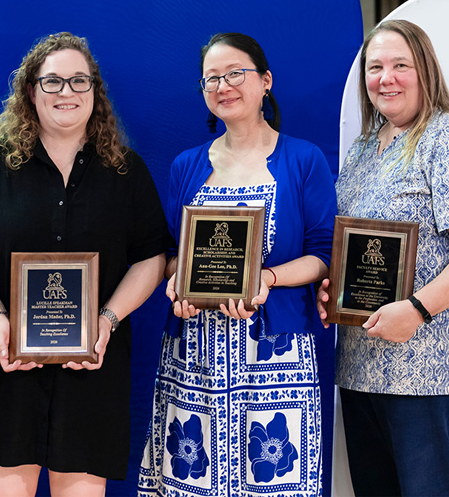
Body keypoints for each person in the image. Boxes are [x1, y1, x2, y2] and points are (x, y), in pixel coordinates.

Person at [0, 32, 170, 496]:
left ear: (94, 91)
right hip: (4, 368)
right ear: (31, 91)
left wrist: (108, 318)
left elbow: (152, 258)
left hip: (92, 373)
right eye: (53, 82)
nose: (67, 92)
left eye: (78, 81)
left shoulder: (126, 169)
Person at [138, 32, 337, 497]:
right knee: (192, 480)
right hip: (195, 352)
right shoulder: (187, 165)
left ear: (265, 81)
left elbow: (324, 254)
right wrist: (177, 286)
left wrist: (266, 278)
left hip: (275, 353)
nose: (223, 85)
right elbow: (172, 255)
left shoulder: (302, 159)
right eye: (212, 78)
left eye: (235, 74)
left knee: (273, 480)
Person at [317, 19, 449, 497]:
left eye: (401, 65)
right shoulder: (364, 149)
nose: (387, 78)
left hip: (431, 367)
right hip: (363, 362)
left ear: (426, 70)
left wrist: (417, 309)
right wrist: (334, 285)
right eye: (376, 67)